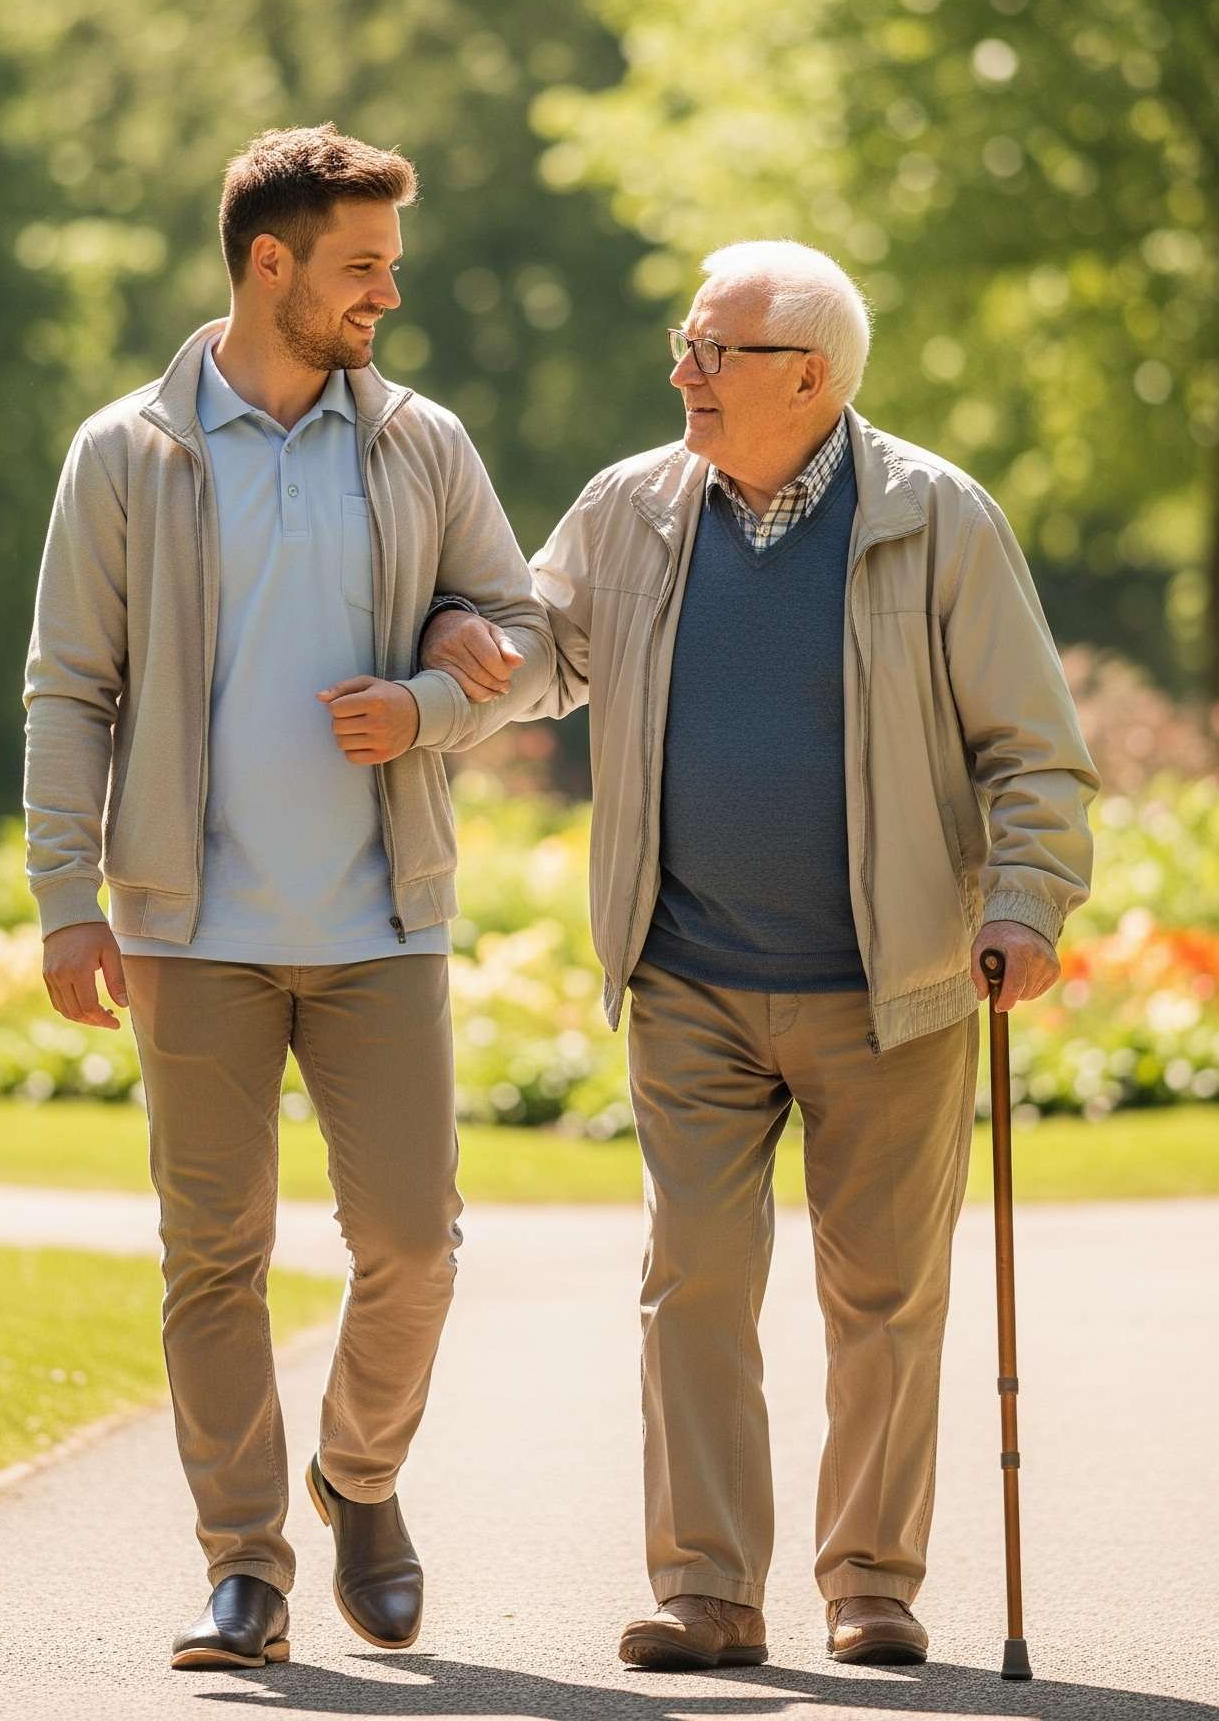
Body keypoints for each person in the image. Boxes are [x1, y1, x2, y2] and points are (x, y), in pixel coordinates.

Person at [422, 239, 1097, 1670]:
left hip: (890, 982)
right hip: (690, 975)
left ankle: (871, 1583)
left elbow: (1033, 752)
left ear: (811, 373)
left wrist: (1025, 903)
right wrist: (481, 656)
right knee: (697, 1279)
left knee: (887, 1297)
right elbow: (555, 646)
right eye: (685, 344)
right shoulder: (632, 505)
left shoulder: (934, 517)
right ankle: (708, 1591)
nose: (684, 371)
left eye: (713, 352)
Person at [24, 124, 551, 1672]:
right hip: (191, 926)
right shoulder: (127, 453)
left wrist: (435, 700)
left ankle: (359, 1479)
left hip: (384, 915)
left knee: (414, 1243)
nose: (390, 290)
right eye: (364, 265)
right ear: (273, 265)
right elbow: (71, 685)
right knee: (216, 1254)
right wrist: (70, 894)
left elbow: (515, 623)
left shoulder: (422, 442)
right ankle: (244, 1566)